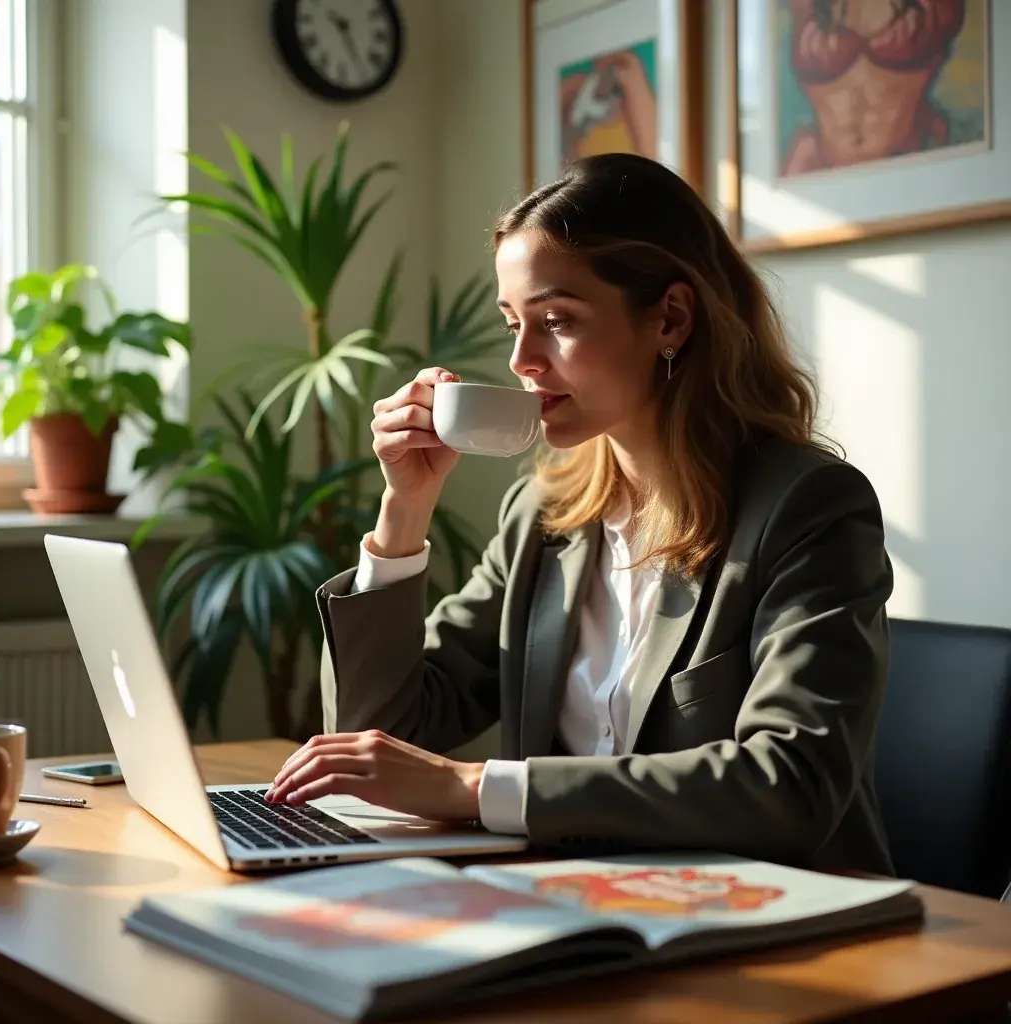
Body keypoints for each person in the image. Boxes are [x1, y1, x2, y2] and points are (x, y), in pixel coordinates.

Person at [266, 152, 895, 875]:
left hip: (777, 925)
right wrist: (404, 509)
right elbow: (380, 734)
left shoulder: (806, 508)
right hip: (574, 901)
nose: (522, 361)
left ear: (671, 318)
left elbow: (791, 785)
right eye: (513, 325)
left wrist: (473, 787)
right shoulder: (546, 513)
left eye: (556, 320)